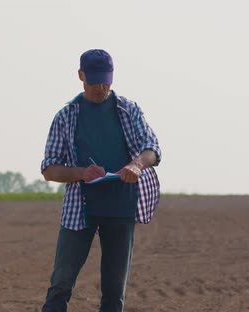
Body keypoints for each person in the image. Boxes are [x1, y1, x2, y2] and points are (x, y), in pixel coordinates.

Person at [40, 49, 162, 312]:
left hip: (122, 210)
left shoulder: (129, 110)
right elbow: (49, 169)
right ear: (81, 76)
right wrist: (80, 173)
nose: (101, 87)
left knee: (114, 293)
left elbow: (152, 147)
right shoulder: (66, 116)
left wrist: (137, 164)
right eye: (94, 80)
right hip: (80, 210)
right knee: (60, 284)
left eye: (106, 80)